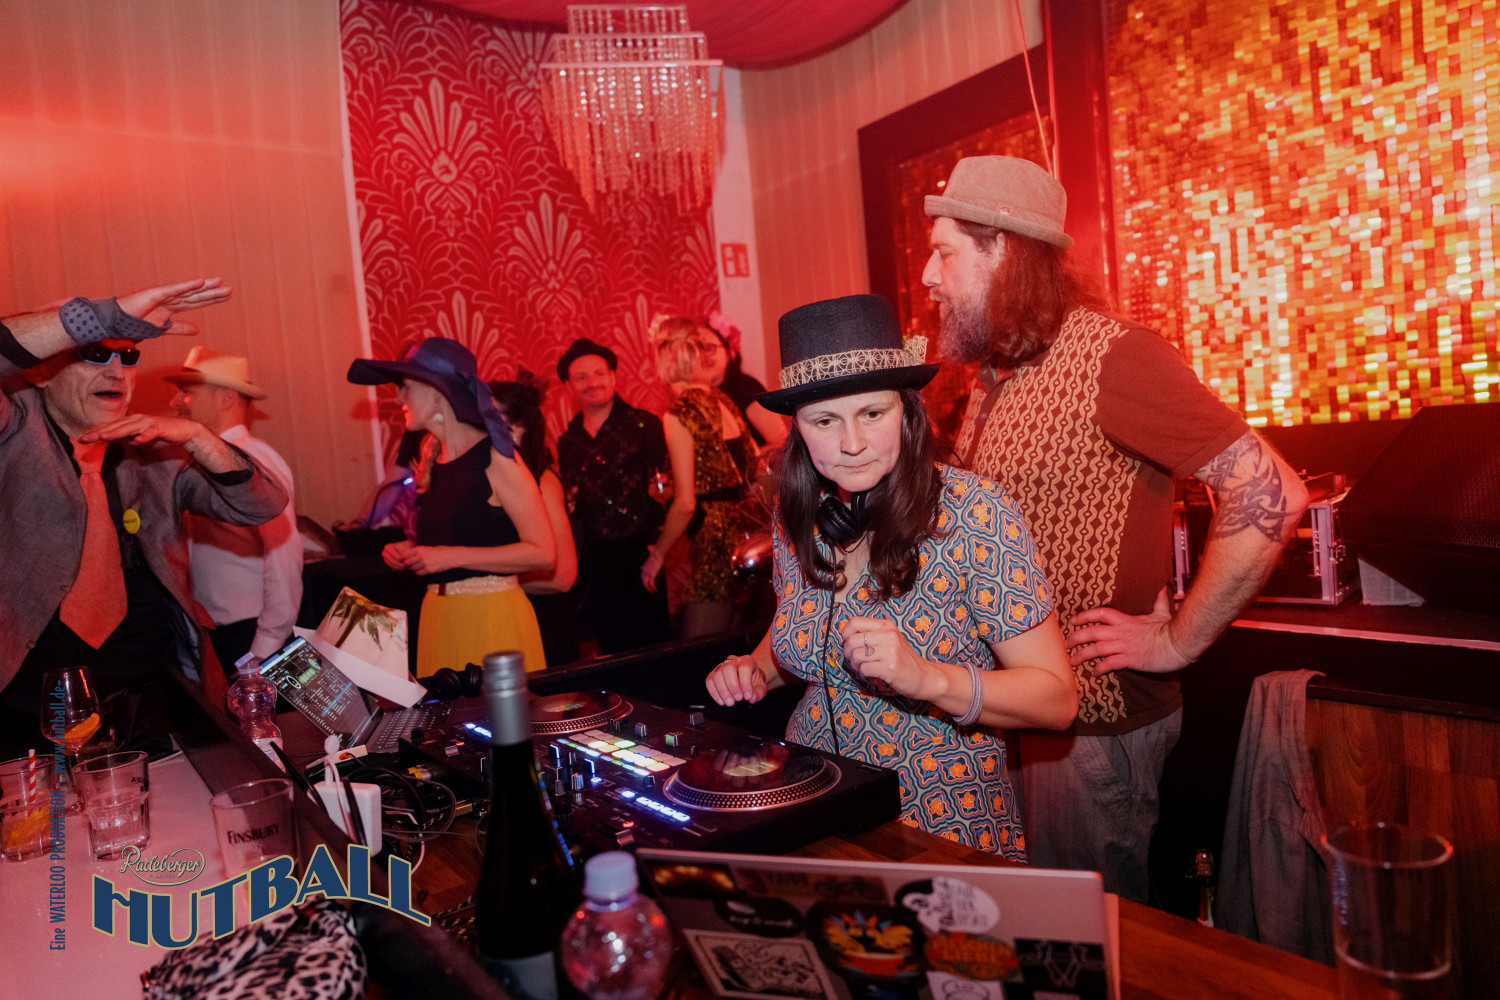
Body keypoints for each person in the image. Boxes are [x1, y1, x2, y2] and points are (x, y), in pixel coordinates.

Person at [923, 155, 1309, 898]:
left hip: (1091, 736)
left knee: (1089, 943)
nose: (929, 277)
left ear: (1003, 251)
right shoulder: (995, 373)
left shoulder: (1114, 356)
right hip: (1012, 716)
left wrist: (1177, 640)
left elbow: (1271, 490)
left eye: (944, 253)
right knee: (1027, 932)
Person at [703, 294, 1076, 859]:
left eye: (872, 414)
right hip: (812, 804)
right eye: (825, 421)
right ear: (797, 428)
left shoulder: (973, 511)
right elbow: (800, 630)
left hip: (937, 819)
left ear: (906, 411)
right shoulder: (797, 515)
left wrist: (927, 678)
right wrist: (754, 669)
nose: (852, 444)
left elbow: (1056, 698)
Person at [0, 279, 289, 755]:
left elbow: (263, 505)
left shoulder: (153, 452)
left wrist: (198, 437)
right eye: (94, 353)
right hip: (32, 712)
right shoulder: (13, 429)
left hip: (151, 701)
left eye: (128, 356)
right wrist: (100, 315)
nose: (116, 370)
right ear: (43, 372)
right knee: (51, 808)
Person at [348, 338, 554, 676]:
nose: (398, 398)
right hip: (439, 617)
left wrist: (449, 556)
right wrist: (413, 551)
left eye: (406, 387)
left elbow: (544, 553)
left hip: (491, 620)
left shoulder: (497, 458)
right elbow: (468, 535)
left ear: (437, 393)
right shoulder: (435, 459)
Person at [167, 346, 302, 671]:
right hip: (219, 635)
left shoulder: (252, 459)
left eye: (187, 392)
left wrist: (263, 651)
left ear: (226, 398)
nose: (175, 402)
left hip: (248, 635)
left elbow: (283, 557)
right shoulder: (201, 463)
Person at [555, 337, 671, 654]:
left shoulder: (644, 424)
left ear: (613, 377)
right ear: (569, 386)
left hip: (642, 556)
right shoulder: (568, 441)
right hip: (594, 565)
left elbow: (667, 488)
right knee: (608, 656)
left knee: (653, 652)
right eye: (581, 377)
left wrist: (658, 546)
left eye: (599, 374)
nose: (592, 383)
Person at [646, 316, 753, 638]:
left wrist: (657, 555)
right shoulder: (722, 400)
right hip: (746, 536)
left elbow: (686, 503)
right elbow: (755, 466)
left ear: (663, 356)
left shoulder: (679, 413)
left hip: (713, 544)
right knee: (737, 647)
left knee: (700, 650)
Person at [489, 374, 580, 667]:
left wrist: (487, 580)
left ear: (518, 431)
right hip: (505, 618)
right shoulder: (493, 477)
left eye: (489, 418)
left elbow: (564, 576)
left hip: (545, 624)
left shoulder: (543, 481)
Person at [702, 311, 788, 448]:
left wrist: (751, 457)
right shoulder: (700, 394)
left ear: (730, 352)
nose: (703, 355)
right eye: (697, 348)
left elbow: (782, 443)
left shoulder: (746, 388)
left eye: (710, 348)